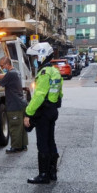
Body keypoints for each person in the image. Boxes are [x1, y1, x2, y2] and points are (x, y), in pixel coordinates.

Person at [23, 42, 63, 184]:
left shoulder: (44, 73)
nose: (34, 59)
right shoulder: (55, 71)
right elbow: (60, 93)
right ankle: (52, 172)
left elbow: (39, 96)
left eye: (35, 56)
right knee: (50, 141)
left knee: (42, 143)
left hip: (44, 112)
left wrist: (28, 113)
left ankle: (43, 174)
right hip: (52, 110)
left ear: (41, 56)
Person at [0, 56, 28, 153]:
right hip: (20, 103)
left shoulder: (10, 74)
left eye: (2, 65)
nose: (2, 67)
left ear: (6, 64)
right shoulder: (15, 72)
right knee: (21, 127)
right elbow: (4, 76)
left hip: (14, 104)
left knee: (14, 126)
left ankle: (16, 147)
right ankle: (23, 145)